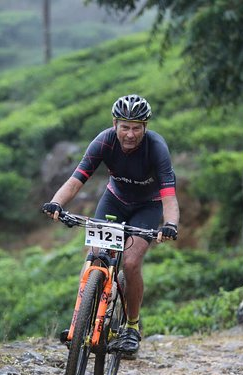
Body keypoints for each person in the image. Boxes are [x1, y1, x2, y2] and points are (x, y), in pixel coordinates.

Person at [42, 94, 180, 357]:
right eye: (125, 127)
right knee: (95, 256)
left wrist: (170, 224)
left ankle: (131, 326)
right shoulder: (104, 141)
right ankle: (81, 322)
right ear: (115, 124)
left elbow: (169, 197)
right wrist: (56, 203)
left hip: (147, 207)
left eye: (136, 128)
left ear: (145, 127)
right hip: (114, 201)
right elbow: (76, 180)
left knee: (130, 263)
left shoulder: (156, 148)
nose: (130, 134)